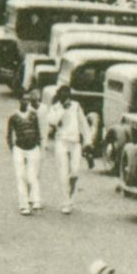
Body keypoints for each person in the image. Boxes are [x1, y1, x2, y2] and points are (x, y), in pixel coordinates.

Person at [43, 85, 91, 214]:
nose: (66, 98)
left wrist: (88, 141)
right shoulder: (55, 107)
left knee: (75, 172)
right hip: (61, 142)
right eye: (63, 95)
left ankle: (70, 197)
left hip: (75, 143)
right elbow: (52, 121)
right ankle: (66, 202)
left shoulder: (76, 106)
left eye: (67, 95)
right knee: (63, 173)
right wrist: (62, 109)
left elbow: (84, 124)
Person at [6, 93, 44, 215]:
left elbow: (38, 132)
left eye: (27, 100)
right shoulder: (13, 117)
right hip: (19, 148)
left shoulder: (33, 115)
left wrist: (38, 145)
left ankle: (34, 199)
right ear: (19, 100)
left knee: (32, 176)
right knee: (20, 176)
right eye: (23, 99)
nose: (25, 102)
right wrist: (13, 148)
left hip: (32, 148)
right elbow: (9, 134)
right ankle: (24, 205)